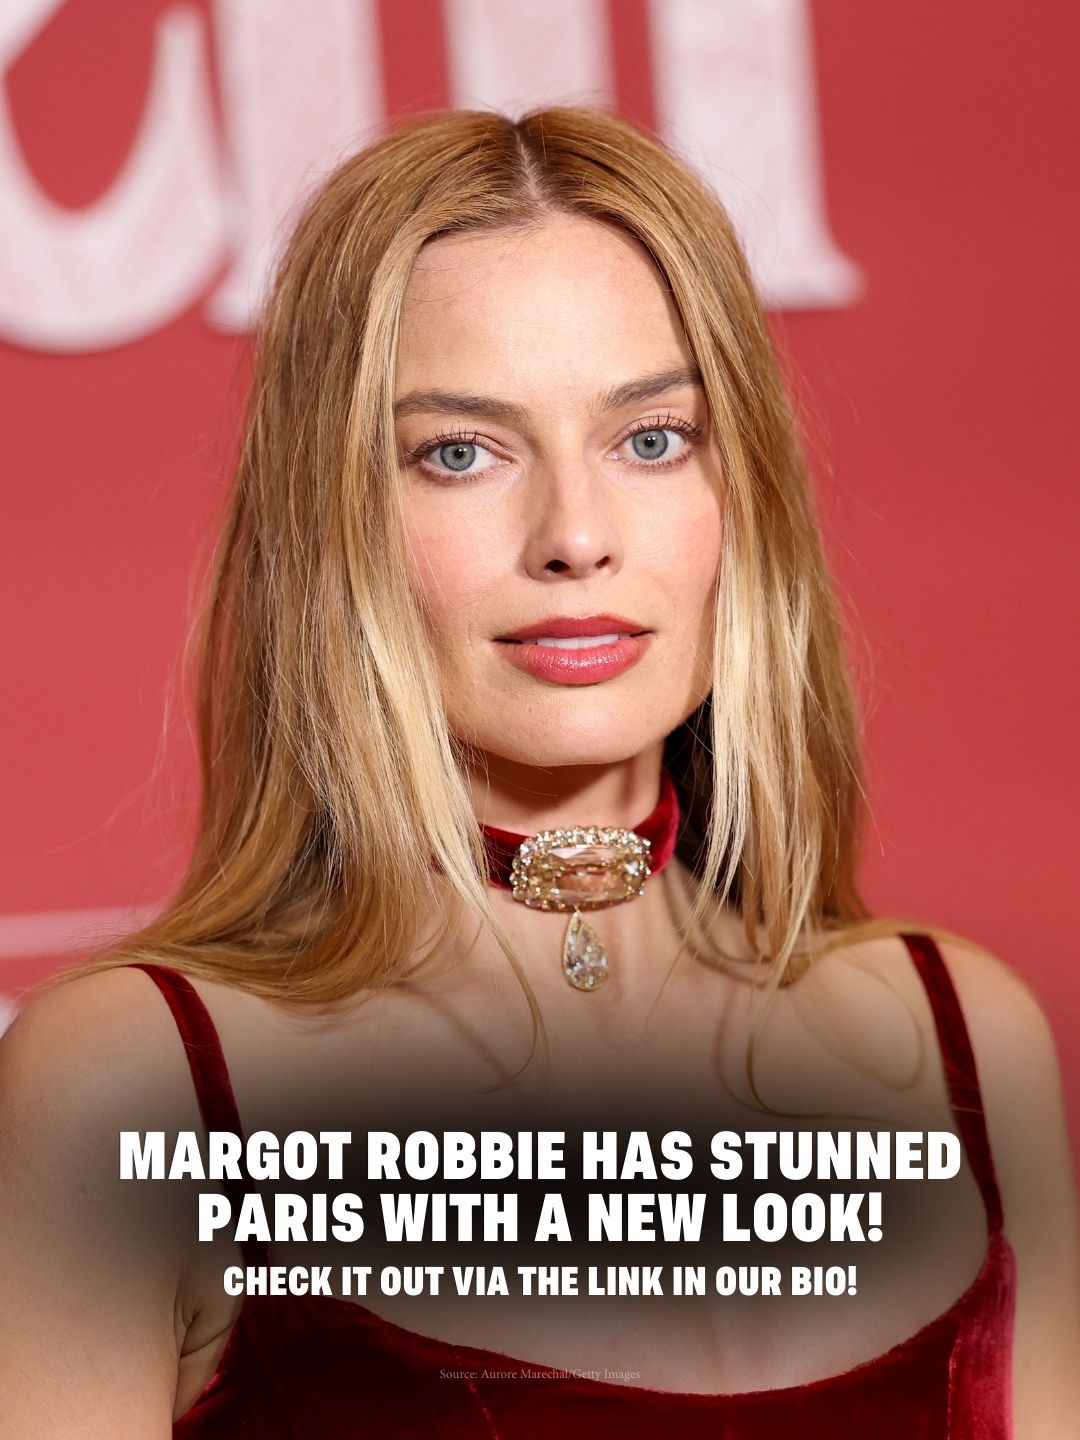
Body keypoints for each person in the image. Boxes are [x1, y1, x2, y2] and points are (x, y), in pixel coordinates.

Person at [0, 106, 1077, 1439]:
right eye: (460, 452)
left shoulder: (968, 1044)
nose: (575, 534)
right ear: (333, 524)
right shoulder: (134, 1086)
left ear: (742, 493)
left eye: (651, 438)